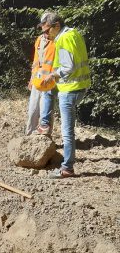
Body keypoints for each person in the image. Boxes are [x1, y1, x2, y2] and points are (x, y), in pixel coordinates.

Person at [40, 12, 91, 178]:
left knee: (67, 132)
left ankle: (67, 168)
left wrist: (51, 76)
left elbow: (68, 67)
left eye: (47, 30)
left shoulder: (62, 39)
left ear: (57, 26)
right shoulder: (74, 33)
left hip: (70, 89)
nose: (45, 34)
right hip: (80, 87)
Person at [25, 14, 56, 136]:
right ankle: (29, 135)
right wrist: (31, 79)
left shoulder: (58, 42)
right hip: (38, 81)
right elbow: (35, 62)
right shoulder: (39, 40)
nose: (45, 31)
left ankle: (45, 139)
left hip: (50, 83)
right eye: (43, 27)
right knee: (32, 110)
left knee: (46, 112)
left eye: (47, 28)